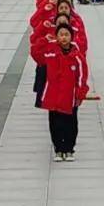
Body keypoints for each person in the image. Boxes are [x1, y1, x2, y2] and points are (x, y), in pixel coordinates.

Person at [36, 20, 87, 159]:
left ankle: (69, 148)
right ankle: (58, 149)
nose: (64, 37)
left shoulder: (77, 56)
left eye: (66, 34)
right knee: (55, 124)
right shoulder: (50, 53)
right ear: (56, 37)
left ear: (71, 37)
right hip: (53, 97)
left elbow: (82, 76)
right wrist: (44, 40)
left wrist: (80, 94)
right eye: (61, 34)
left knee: (70, 124)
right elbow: (35, 53)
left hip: (70, 98)